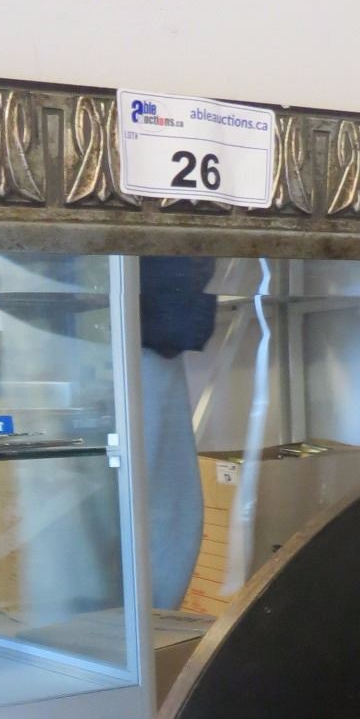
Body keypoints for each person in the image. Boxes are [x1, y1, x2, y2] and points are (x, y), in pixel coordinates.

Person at [138, 257, 215, 609]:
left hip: (144, 316)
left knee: (164, 517)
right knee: (163, 518)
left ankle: (150, 630)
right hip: (127, 316)